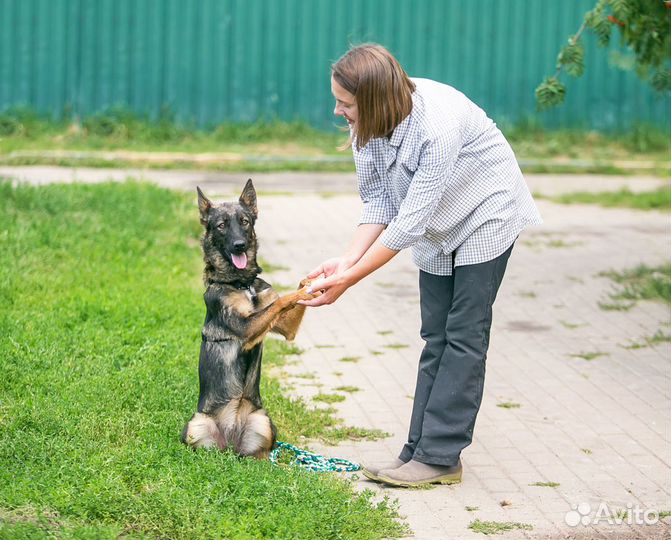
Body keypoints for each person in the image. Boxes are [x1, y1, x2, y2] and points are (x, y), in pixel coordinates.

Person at [299, 43, 542, 487]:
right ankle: (418, 451)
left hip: (486, 214)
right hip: (437, 226)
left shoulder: (437, 126)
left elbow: (408, 221)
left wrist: (349, 280)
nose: (337, 110)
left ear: (372, 100)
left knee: (464, 335)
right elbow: (379, 201)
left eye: (345, 103)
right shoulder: (367, 130)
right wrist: (345, 260)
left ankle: (441, 457)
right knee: (435, 335)